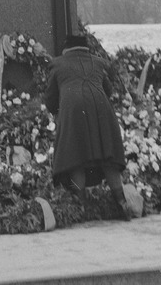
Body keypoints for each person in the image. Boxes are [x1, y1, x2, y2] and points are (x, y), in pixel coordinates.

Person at [44, 34, 131, 220]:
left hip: (73, 111)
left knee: (76, 159)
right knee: (108, 157)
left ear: (66, 48)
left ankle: (81, 205)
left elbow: (50, 99)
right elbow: (108, 90)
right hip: (102, 109)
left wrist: (57, 111)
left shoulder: (57, 64)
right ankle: (122, 203)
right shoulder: (98, 62)